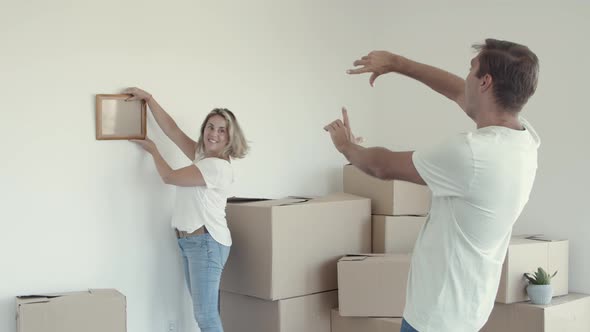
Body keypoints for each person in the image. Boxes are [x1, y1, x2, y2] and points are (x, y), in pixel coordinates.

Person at [324, 39, 540, 332]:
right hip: (468, 310)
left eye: (471, 70)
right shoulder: (524, 140)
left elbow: (383, 166)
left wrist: (346, 147)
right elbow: (456, 91)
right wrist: (398, 63)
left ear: (486, 82)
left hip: (435, 318)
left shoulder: (472, 153)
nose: (465, 78)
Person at [124, 87, 248, 332]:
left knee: (206, 316)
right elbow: (172, 130)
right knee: (204, 313)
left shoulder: (216, 167)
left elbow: (169, 177)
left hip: (206, 243)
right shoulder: (203, 157)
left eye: (221, 130)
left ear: (230, 137)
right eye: (210, 127)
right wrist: (149, 99)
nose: (213, 134)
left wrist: (153, 150)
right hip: (193, 242)